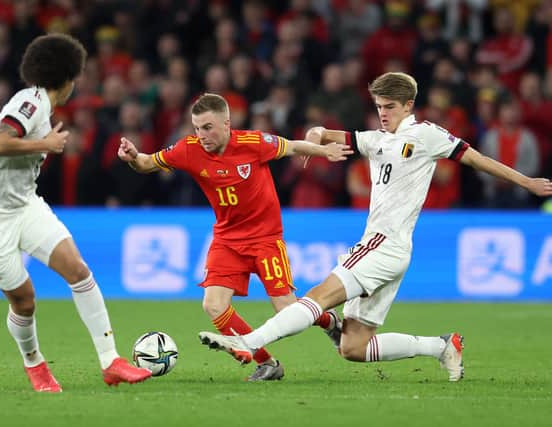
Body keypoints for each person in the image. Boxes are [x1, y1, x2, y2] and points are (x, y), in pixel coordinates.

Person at [198, 72, 552, 382]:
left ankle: (248, 342)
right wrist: (317, 131)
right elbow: (332, 136)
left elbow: (476, 158)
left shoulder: (426, 135)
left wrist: (527, 183)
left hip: (383, 246)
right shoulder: (377, 139)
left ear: (409, 105)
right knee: (353, 347)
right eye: (380, 106)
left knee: (317, 297)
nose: (383, 114)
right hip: (388, 251)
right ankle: (442, 346)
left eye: (390, 107)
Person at [0, 34, 152, 393]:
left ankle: (111, 361)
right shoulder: (30, 102)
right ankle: (35, 365)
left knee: (78, 270)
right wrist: (43, 144)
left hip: (24, 204)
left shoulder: (43, 109)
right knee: (25, 301)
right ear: (67, 77)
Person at [117, 93, 352, 381]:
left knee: (288, 309)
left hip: (265, 238)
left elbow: (291, 147)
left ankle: (330, 322)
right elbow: (146, 163)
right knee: (213, 304)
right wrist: (131, 157)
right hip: (227, 239)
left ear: (227, 123)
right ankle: (266, 363)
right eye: (196, 128)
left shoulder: (253, 143)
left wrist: (324, 152)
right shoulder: (188, 150)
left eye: (207, 127)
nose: (201, 135)